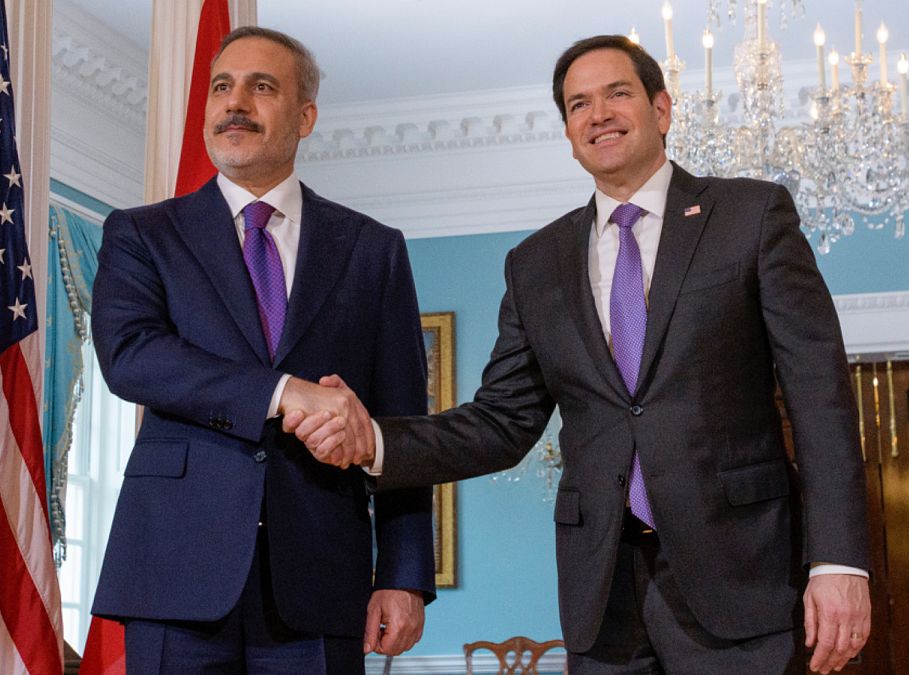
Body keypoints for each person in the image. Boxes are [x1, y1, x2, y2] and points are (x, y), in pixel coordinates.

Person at [289, 35, 871, 674]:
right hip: (604, 596)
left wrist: (838, 560)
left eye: (617, 94)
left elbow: (820, 395)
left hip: (746, 580)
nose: (598, 114)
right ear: (568, 132)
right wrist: (372, 438)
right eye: (577, 104)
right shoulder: (536, 263)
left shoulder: (749, 215)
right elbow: (501, 422)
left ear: (662, 109)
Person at [89, 26, 435, 674]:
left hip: (322, 576)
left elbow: (401, 422)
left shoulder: (373, 249)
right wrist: (282, 393)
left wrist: (405, 571)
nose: (235, 102)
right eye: (223, 86)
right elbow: (131, 355)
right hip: (175, 574)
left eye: (261, 86)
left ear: (305, 116)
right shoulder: (142, 234)